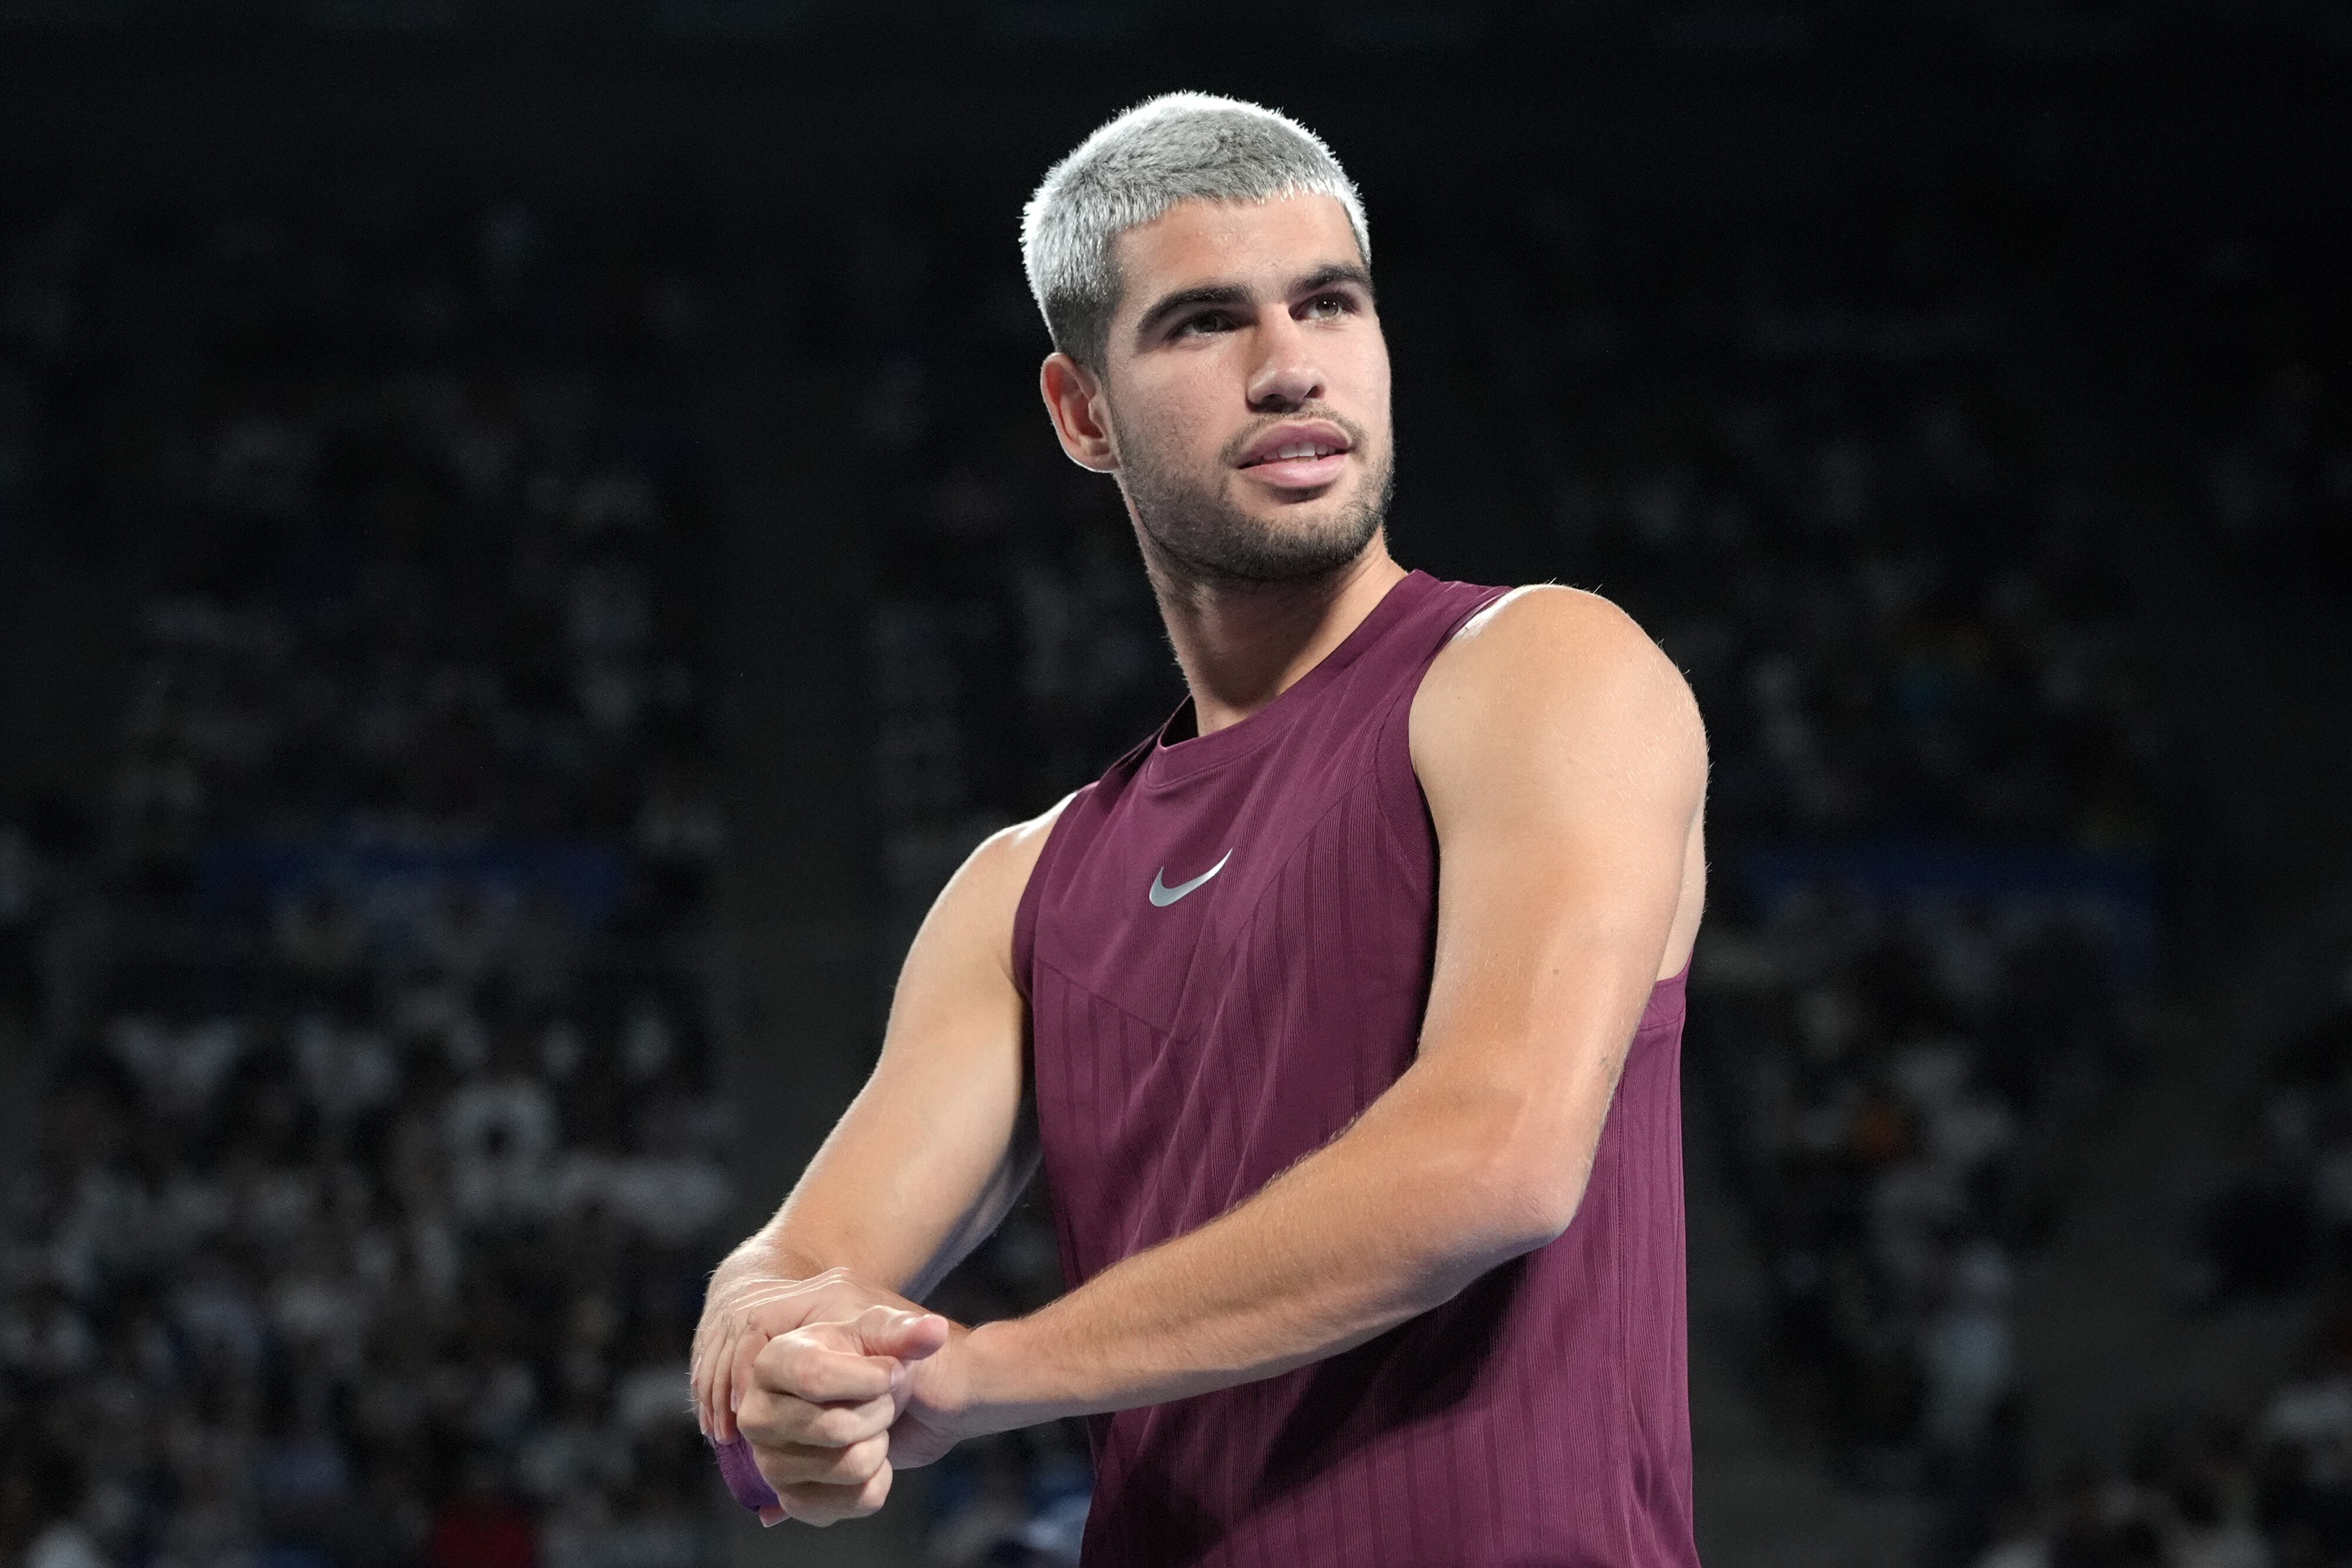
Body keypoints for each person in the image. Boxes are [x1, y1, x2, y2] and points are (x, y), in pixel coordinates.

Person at [694, 92, 1709, 1565]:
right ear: (1080, 411)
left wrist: (970, 1375)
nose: (1289, 366)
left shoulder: (1540, 670)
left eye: (1328, 303)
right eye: (1202, 324)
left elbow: (1494, 1157)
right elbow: (795, 1264)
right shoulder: (1025, 887)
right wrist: (769, 1367)